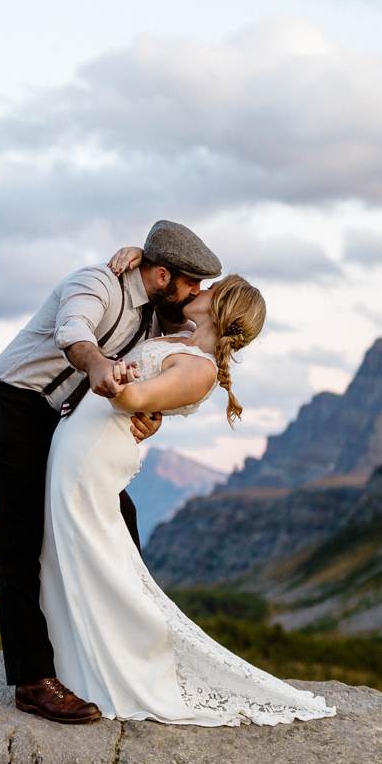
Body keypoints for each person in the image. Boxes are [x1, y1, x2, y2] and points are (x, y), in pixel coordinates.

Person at [38, 271, 336, 727]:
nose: (200, 290)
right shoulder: (182, 342)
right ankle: (76, 663)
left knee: (95, 560)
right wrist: (139, 256)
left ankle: (125, 668)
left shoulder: (199, 368)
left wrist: (115, 377)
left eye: (212, 289)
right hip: (81, 450)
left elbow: (133, 397)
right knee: (70, 555)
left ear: (222, 308)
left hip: (91, 460)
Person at [0, 220, 223, 725]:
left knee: (119, 520)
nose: (196, 293)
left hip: (60, 425)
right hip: (13, 408)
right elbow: (75, 333)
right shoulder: (96, 283)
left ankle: (116, 654)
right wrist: (94, 365)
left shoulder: (156, 316)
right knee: (20, 541)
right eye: (190, 283)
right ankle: (32, 679)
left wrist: (149, 416)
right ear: (160, 274)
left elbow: (170, 365)